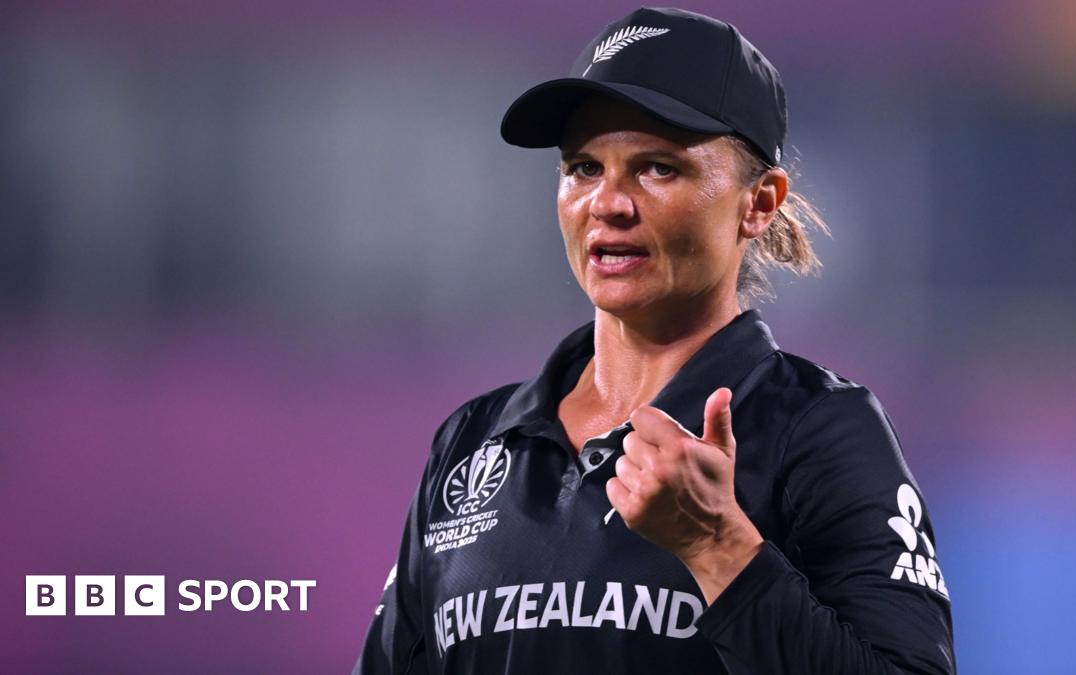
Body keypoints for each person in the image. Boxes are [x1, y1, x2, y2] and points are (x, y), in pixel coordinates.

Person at [354, 7, 954, 674]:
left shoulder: (817, 431)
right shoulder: (473, 443)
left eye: (658, 168)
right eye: (583, 167)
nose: (607, 202)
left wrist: (718, 545)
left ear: (758, 203)